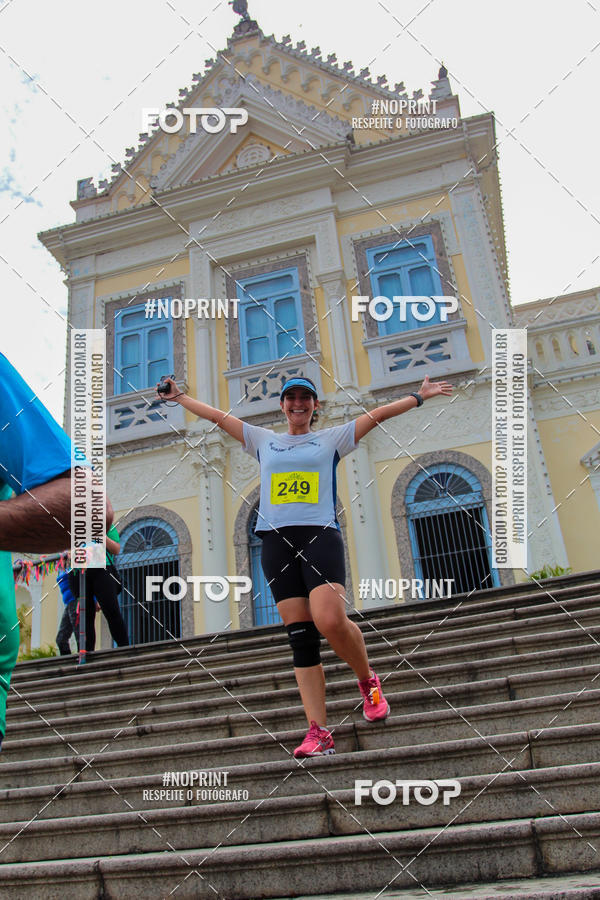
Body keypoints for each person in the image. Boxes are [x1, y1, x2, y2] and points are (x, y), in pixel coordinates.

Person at [158, 373, 452, 757]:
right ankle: (319, 732)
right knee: (300, 635)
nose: (298, 403)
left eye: (305, 398)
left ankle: (368, 681)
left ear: (315, 406)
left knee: (329, 620)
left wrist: (419, 395)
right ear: (282, 405)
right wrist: (180, 398)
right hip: (276, 543)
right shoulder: (265, 441)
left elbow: (377, 414)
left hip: (319, 536)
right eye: (291, 398)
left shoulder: (332, 439)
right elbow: (217, 417)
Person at [0, 351, 113, 752]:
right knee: (71, 624)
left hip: (94, 580)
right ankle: (78, 654)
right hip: (74, 586)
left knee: (101, 616)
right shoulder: (66, 563)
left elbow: (98, 519)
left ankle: (97, 654)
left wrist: (94, 546)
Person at [70, 524, 129, 653]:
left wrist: (101, 536)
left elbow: (116, 549)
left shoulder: (106, 524)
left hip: (102, 569)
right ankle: (86, 652)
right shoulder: (75, 526)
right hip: (79, 572)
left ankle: (124, 648)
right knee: (86, 615)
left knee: (111, 610)